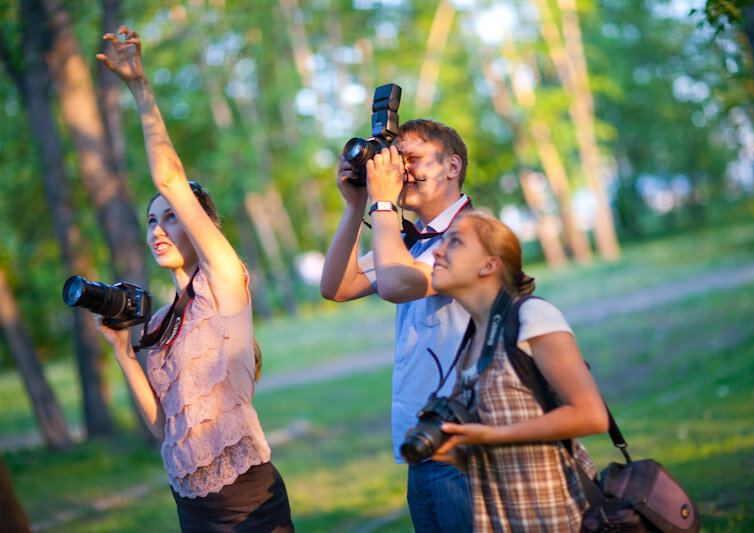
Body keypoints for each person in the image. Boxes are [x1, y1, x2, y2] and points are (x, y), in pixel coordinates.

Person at [95, 27, 293, 533]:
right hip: (190, 504)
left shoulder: (224, 282)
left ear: (200, 223)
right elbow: (165, 428)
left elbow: (168, 180)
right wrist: (122, 353)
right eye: (150, 221)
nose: (157, 229)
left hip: (249, 502)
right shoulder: (159, 323)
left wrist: (141, 90)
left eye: (171, 217)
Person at [320, 119, 473, 531]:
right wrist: (356, 206)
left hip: (464, 447)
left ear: (452, 166)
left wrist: (382, 203)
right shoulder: (414, 240)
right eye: (396, 161)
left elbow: (396, 284)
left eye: (413, 159)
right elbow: (337, 286)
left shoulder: (471, 235)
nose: (401, 172)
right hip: (421, 441)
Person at [428, 211, 609, 532]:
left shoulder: (532, 316)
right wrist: (457, 453)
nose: (438, 252)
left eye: (454, 241)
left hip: (556, 515)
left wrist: (495, 436)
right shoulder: (471, 341)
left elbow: (592, 416)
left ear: (489, 265)